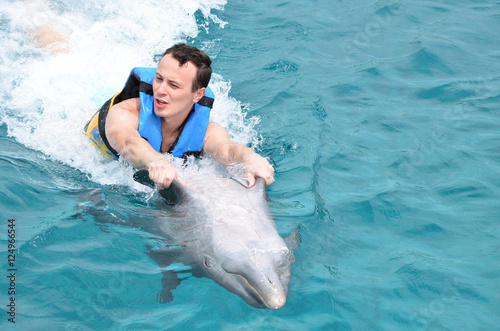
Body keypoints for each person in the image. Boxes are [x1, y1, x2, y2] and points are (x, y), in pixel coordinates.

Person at [84, 43, 274, 188]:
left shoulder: (208, 130)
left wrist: (251, 158)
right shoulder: (126, 112)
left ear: (198, 94)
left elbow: (229, 150)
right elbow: (129, 144)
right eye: (159, 79)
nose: (160, 90)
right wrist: (157, 161)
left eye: (173, 86)